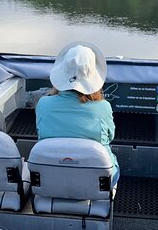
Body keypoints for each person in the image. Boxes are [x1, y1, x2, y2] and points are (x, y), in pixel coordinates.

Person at [36, 42, 119, 185]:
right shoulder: (104, 107)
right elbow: (110, 136)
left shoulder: (43, 104)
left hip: (53, 177)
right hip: (96, 181)